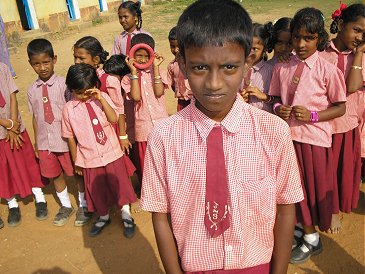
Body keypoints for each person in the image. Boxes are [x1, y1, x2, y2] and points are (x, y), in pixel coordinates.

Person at [140, 1, 304, 273]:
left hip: (257, 265)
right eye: (199, 68)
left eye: (229, 67)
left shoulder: (273, 131)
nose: (214, 84)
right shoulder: (163, 137)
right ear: (181, 63)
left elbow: (286, 207)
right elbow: (160, 215)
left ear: (248, 61)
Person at [269, 7, 347, 264]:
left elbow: (340, 106)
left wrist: (313, 116)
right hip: (289, 138)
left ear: (319, 38)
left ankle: (312, 238)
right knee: (293, 188)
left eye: (308, 38)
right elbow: (275, 99)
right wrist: (281, 109)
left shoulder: (328, 70)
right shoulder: (283, 67)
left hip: (314, 140)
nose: (301, 44)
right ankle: (303, 228)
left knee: (312, 189)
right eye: (296, 38)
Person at [62, 63, 137, 238]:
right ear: (71, 89)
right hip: (89, 157)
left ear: (95, 86)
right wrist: (76, 161)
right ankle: (104, 216)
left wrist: (101, 98)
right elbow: (70, 137)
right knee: (97, 190)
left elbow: (113, 118)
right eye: (78, 92)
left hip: (111, 152)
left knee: (120, 185)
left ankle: (126, 214)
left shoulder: (102, 98)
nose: (82, 96)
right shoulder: (68, 109)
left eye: (87, 91)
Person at [27, 38, 91, 227]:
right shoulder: (31, 90)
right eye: (36, 64)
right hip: (45, 142)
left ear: (54, 59)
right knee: (54, 174)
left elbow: (74, 112)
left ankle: (83, 204)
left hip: (65, 140)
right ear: (30, 64)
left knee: (76, 172)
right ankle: (65, 205)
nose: (42, 67)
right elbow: (35, 117)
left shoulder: (65, 85)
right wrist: (37, 144)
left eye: (46, 62)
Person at [320, 3, 365, 234]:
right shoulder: (321, 51)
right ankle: (323, 208)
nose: (360, 37)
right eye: (356, 30)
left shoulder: (361, 56)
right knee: (322, 169)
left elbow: (352, 86)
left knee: (341, 169)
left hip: (346, 122)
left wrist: (357, 55)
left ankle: (335, 210)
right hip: (320, 122)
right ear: (340, 24)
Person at [0, 62, 47, 227]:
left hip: (15, 126)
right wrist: (8, 124)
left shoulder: (2, 68)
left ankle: (39, 196)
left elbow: (12, 95)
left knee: (28, 162)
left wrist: (13, 123)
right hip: (4, 129)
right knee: (3, 169)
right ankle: (12, 203)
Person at [122, 33, 168, 189]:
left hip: (162, 127)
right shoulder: (128, 78)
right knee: (147, 162)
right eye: (138, 55)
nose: (142, 59)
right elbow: (135, 96)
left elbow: (159, 92)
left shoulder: (160, 72)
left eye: (146, 55)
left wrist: (155, 67)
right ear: (131, 55)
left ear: (152, 54)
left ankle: (167, 188)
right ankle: (150, 190)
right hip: (143, 129)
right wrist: (134, 73)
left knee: (165, 160)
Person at [73, 36, 131, 155]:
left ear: (95, 60)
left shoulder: (109, 81)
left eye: (81, 58)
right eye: (75, 57)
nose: (76, 62)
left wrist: (122, 136)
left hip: (111, 131)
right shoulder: (77, 81)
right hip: (89, 134)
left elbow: (119, 110)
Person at [240, 23, 275, 113]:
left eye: (255, 49)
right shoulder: (236, 70)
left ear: (264, 49)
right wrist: (239, 97)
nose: (250, 52)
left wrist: (263, 96)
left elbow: (279, 100)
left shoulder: (272, 71)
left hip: (264, 122)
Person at [167, 26, 192, 111]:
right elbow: (173, 85)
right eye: (172, 46)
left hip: (196, 101)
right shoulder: (172, 66)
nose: (176, 50)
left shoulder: (194, 63)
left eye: (179, 46)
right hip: (182, 103)